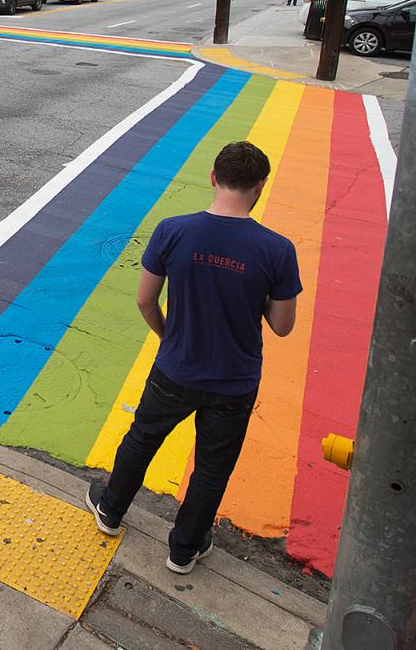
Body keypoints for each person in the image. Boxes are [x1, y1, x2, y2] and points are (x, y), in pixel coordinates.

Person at [86, 141, 300, 575]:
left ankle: (110, 511)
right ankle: (184, 548)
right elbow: (282, 325)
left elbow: (146, 301)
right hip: (235, 381)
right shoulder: (277, 249)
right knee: (211, 467)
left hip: (175, 367)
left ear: (214, 178)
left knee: (142, 439)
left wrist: (172, 337)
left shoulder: (173, 230)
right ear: (260, 186)